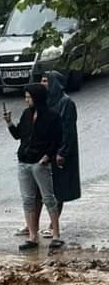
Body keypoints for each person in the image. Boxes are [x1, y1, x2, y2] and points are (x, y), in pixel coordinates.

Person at [5, 84, 63, 251]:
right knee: (28, 199)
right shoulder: (26, 114)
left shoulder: (52, 116)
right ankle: (32, 236)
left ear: (37, 97)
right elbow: (18, 136)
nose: (26, 99)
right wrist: (9, 122)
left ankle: (56, 235)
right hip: (24, 161)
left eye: (29, 97)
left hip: (40, 162)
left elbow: (57, 140)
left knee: (48, 198)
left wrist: (46, 157)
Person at [41, 69, 81, 233]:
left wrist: (62, 152)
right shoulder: (47, 101)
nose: (42, 84)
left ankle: (53, 225)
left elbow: (68, 130)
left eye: (45, 81)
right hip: (49, 150)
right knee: (49, 188)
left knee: (60, 189)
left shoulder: (66, 103)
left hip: (61, 151)